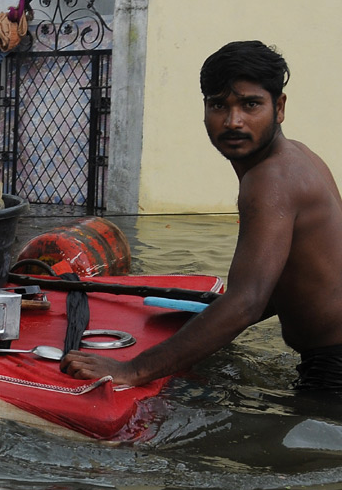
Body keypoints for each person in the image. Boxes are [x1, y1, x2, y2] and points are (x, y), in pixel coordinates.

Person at [62, 40, 342, 393]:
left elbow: (247, 301)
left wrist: (133, 369)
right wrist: (214, 315)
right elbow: (294, 282)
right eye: (219, 105)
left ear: (279, 107)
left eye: (250, 104)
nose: (233, 121)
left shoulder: (271, 179)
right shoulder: (299, 157)